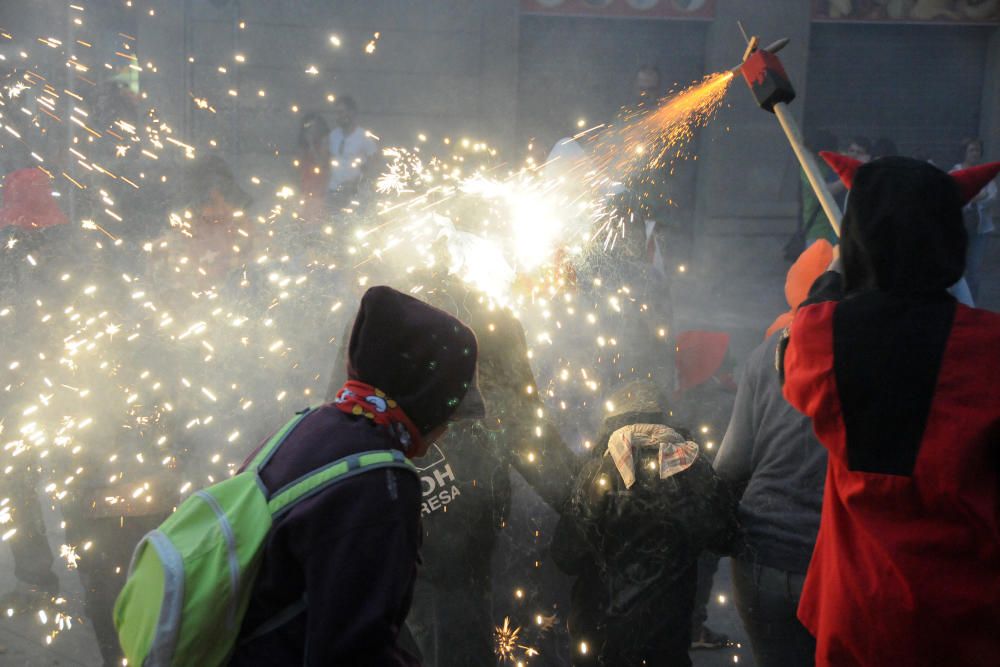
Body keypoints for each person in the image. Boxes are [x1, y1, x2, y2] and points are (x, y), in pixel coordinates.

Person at [782, 152, 1000, 667]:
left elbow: (809, 319)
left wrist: (842, 263)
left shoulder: (821, 337)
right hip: (963, 621)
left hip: (857, 614)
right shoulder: (990, 346)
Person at [326, 270, 579, 667]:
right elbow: (527, 428)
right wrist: (585, 503)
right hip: (451, 535)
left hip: (382, 522)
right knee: (455, 640)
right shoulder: (489, 322)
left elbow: (340, 410)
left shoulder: (376, 313)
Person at [230, 285, 483, 665]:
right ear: (423, 400)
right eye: (448, 411)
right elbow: (354, 655)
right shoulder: (381, 485)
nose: (448, 429)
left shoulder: (309, 425)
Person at [552, 381, 739, 667]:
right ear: (664, 418)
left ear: (611, 423)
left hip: (601, 644)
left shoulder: (596, 473)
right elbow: (727, 535)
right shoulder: (690, 466)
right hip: (666, 642)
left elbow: (565, 556)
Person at [714, 240, 834, 667]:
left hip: (761, 559)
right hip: (837, 564)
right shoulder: (880, 354)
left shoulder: (766, 355)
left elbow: (729, 468)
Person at [952, 138, 996, 300]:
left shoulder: (983, 171)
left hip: (979, 227)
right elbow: (954, 196)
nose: (975, 154)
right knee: (956, 268)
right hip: (959, 228)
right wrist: (975, 196)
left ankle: (973, 304)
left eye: (977, 150)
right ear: (964, 152)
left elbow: (991, 195)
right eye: (971, 150)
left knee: (975, 271)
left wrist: (973, 196)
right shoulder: (956, 172)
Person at [327, 95, 378, 209]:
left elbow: (374, 164)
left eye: (342, 112)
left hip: (354, 193)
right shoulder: (333, 135)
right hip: (333, 191)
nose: (340, 116)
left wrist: (357, 183)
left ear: (352, 113)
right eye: (337, 113)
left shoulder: (363, 136)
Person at [297, 111, 331, 222]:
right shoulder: (303, 145)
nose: (310, 130)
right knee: (303, 220)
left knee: (315, 220)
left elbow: (321, 164)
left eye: (313, 126)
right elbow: (301, 167)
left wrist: (311, 145)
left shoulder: (324, 142)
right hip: (306, 188)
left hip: (319, 189)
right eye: (308, 127)